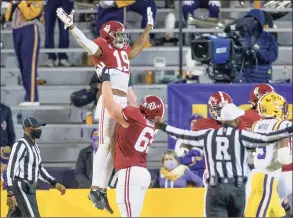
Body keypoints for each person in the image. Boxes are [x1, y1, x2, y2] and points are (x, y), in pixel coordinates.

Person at [56, 6, 153, 210]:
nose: (122, 38)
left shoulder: (122, 50)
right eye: (117, 34)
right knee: (104, 144)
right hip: (109, 100)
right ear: (108, 36)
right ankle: (94, 189)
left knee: (114, 148)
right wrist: (72, 26)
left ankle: (102, 189)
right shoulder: (102, 47)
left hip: (123, 101)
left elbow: (136, 48)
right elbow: (86, 44)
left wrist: (148, 28)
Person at [154, 103, 293, 217]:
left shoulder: (208, 135)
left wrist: (162, 126)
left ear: (221, 119)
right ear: (237, 120)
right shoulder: (242, 136)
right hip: (237, 188)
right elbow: (267, 138)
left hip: (216, 188)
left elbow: (182, 135)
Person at [89, 67, 165, 216]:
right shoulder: (151, 124)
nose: (140, 103)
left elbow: (108, 103)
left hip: (130, 173)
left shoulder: (135, 117)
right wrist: (127, 83)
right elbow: (135, 103)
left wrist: (106, 80)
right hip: (141, 172)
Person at [6, 116, 66, 217]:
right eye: (36, 127)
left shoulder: (35, 147)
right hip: (22, 186)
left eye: (39, 127)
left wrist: (54, 183)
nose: (39, 130)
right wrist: (10, 192)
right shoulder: (20, 144)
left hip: (30, 188)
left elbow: (39, 169)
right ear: (27, 129)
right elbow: (11, 168)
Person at [246, 93, 292, 217]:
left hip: (256, 175)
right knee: (257, 214)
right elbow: (284, 158)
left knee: (278, 214)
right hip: (268, 178)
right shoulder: (282, 125)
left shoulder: (256, 125)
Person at [4, 1, 43, 106]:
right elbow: (8, 17)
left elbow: (30, 15)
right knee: (22, 65)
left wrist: (21, 2)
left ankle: (32, 98)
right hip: (16, 31)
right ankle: (28, 95)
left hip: (29, 30)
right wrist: (13, 3)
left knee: (29, 65)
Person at [235, 9, 278, 83]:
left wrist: (258, 53)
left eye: (253, 20)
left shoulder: (269, 38)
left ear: (259, 21)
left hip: (262, 79)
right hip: (244, 79)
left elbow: (273, 55)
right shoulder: (240, 36)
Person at [175, 113, 205, 179]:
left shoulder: (208, 138)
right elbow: (178, 160)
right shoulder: (182, 139)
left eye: (198, 122)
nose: (195, 124)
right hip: (185, 172)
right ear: (189, 124)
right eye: (193, 122)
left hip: (203, 173)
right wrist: (194, 158)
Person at [44, 0, 73, 67]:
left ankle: (62, 56)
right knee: (48, 28)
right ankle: (50, 57)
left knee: (64, 29)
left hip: (65, 2)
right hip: (49, 2)